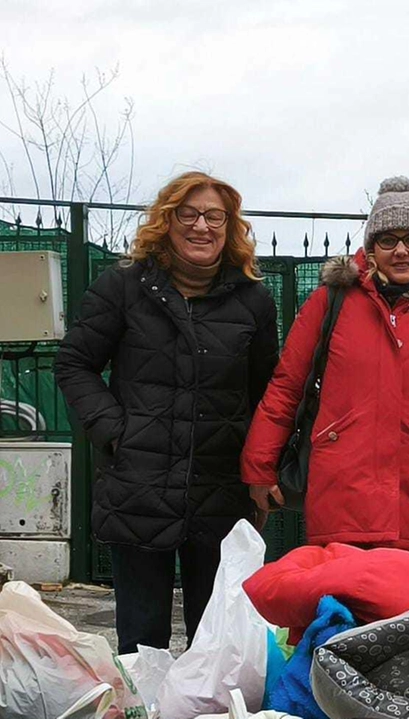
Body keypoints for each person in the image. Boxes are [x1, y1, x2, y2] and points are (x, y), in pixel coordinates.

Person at [53, 172, 278, 653]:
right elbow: (75, 363)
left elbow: (268, 391)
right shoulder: (122, 287)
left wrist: (263, 466)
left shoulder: (254, 300)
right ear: (167, 220)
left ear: (229, 225)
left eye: (215, 216)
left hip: (221, 491)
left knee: (217, 643)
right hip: (138, 485)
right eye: (189, 214)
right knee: (141, 643)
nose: (202, 226)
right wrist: (116, 432)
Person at [240, 176, 409, 557]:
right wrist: (260, 468)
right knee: (340, 614)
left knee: (404, 615)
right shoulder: (331, 302)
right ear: (370, 249)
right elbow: (287, 385)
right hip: (339, 496)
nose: (401, 251)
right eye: (388, 240)